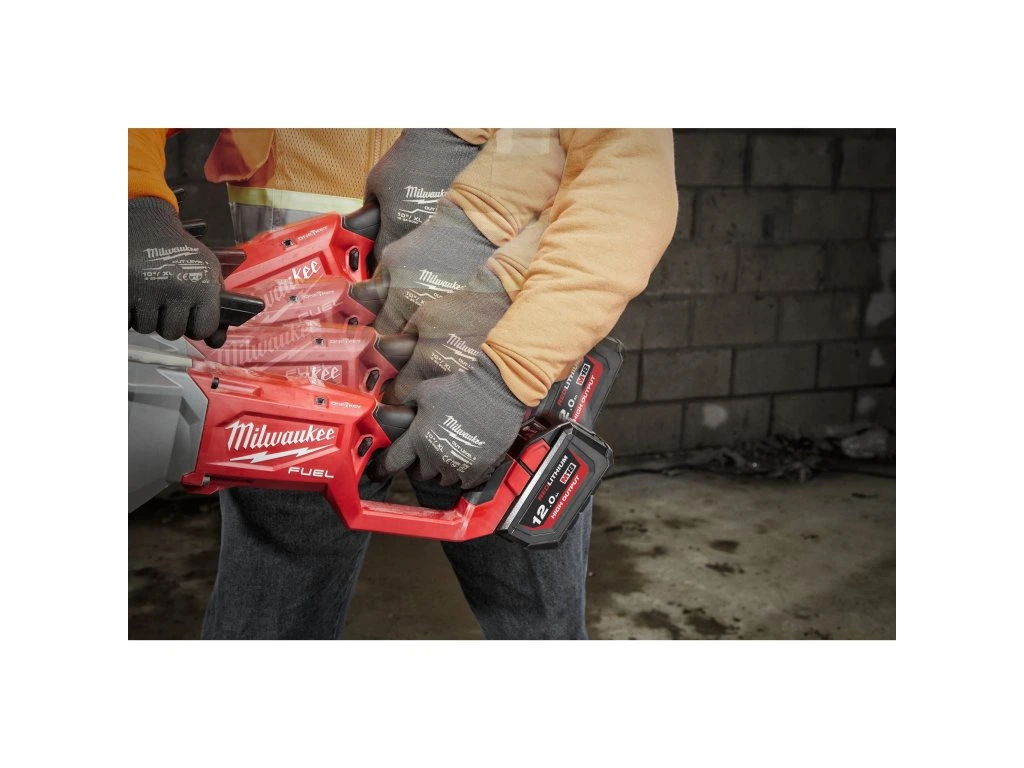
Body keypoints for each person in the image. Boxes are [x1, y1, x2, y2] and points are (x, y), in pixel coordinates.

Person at [128, 128, 677, 639]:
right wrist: (132, 202)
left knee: (537, 625)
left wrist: (507, 376)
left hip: (493, 336)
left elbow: (625, 170)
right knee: (271, 621)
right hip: (289, 330)